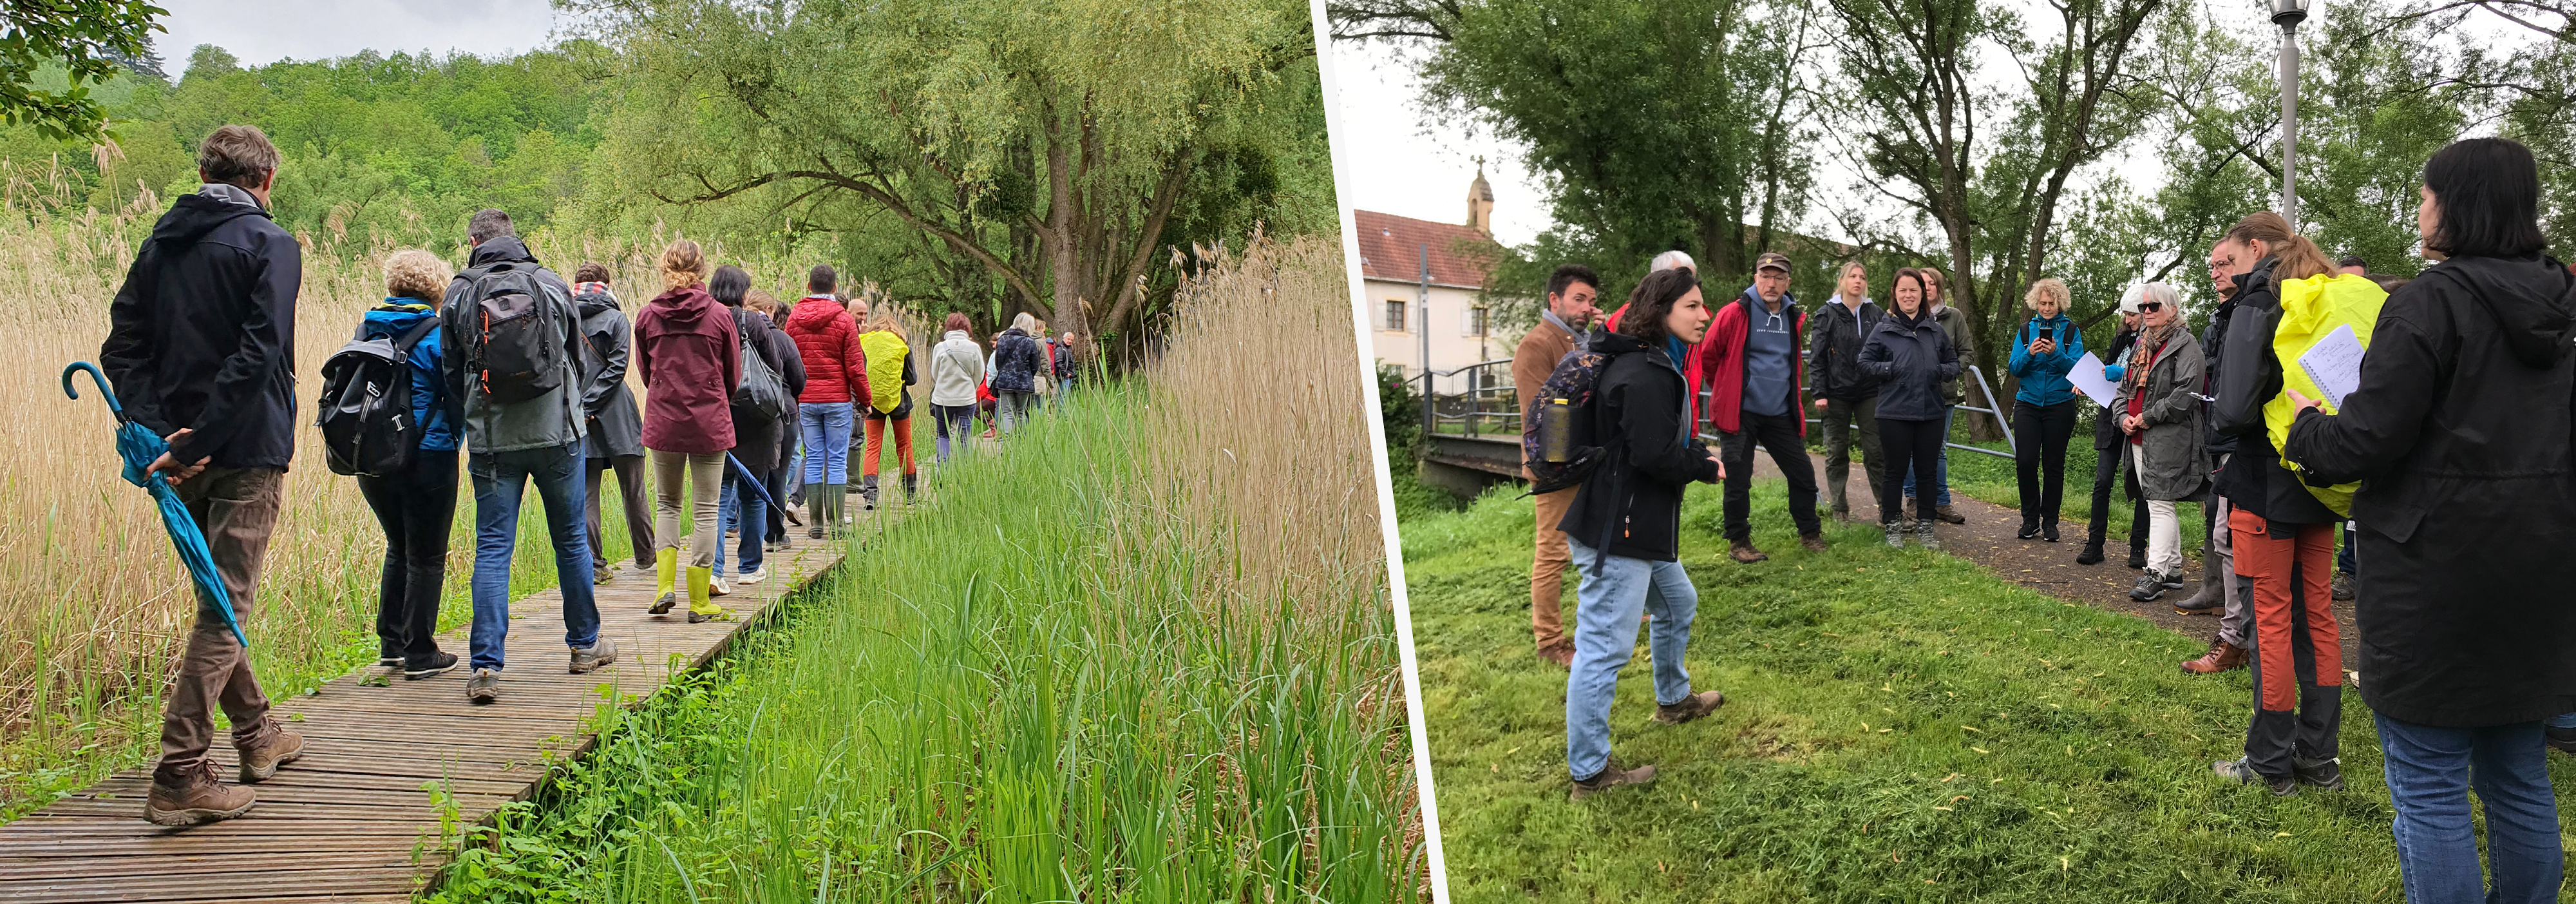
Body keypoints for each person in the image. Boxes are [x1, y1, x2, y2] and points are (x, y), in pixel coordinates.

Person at [2284, 138, 2575, 896]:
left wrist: (2311, 424)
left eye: (2425, 194)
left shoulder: (2428, 300)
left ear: (2458, 202)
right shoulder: (2564, 304)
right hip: (2540, 564)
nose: (2419, 208)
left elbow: (2366, 438)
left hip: (2432, 572)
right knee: (2516, 773)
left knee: (2428, 781)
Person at [103, 125, 306, 824]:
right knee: (226, 608)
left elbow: (121, 343)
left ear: (204, 170)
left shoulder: (162, 243)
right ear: (267, 179)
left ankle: (258, 735)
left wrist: (165, 432)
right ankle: (180, 771)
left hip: (175, 456)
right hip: (244, 447)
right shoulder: (271, 244)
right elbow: (260, 351)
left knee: (217, 598)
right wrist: (205, 435)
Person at [1558, 267, 1727, 800]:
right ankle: (1589, 772)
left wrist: (1694, 453)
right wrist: (1701, 466)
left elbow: (1649, 440)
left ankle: (1674, 701)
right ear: (1663, 313)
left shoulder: (1645, 361)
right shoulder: (1646, 371)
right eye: (1694, 307)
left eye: (1703, 307)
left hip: (1637, 525)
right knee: (1603, 650)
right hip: (1619, 531)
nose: (1704, 316)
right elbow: (1654, 454)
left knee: (1678, 602)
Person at [442, 208, 615, 704]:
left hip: (493, 441)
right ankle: (585, 645)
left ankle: (485, 667)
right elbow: (576, 362)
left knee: (494, 547)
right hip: (558, 434)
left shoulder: (459, 292)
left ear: (473, 240)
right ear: (516, 238)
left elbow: (453, 374)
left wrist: (476, 416)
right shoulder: (552, 283)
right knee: (571, 539)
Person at [2207, 209, 2342, 795]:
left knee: (2271, 620)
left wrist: (2215, 413)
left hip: (2264, 479)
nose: (2226, 274)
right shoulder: (2324, 293)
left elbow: (2234, 407)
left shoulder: (2259, 301)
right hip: (2321, 476)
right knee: (2318, 617)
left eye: (2230, 260)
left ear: (2255, 247)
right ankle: (2320, 759)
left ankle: (2268, 763)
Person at [353, 250, 463, 682]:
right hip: (429, 454)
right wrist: (458, 437)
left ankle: (391, 644)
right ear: (437, 288)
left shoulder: (366, 326)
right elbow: (457, 393)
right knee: (428, 555)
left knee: (397, 544)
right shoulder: (438, 335)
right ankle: (421, 651)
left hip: (373, 457)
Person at [635, 239, 740, 624]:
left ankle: (665, 587)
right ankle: (699, 600)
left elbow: (647, 375)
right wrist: (711, 398)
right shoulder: (718, 316)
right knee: (707, 509)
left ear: (665, 268)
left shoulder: (647, 316)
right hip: (710, 420)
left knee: (667, 504)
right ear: (702, 269)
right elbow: (733, 375)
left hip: (664, 420)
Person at [1701, 252, 1825, 563]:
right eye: (1765, 276)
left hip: (1779, 412)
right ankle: (1739, 542)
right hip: (1739, 412)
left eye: (1778, 277)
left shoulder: (1792, 317)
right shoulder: (1735, 313)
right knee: (1738, 478)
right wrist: (1729, 388)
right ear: (1755, 278)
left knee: (1803, 473)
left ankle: (1810, 534)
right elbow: (1708, 355)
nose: (1771, 283)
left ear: (1787, 282)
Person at [1511, 264, 1599, 667]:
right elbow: (1542, 415)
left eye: (1591, 301)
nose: (1586, 307)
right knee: (1553, 553)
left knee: (1602, 541)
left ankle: (1606, 616)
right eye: (1579, 299)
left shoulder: (1580, 339)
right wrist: (1562, 466)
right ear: (1554, 300)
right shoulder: (1537, 343)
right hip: (1556, 464)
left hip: (1588, 459)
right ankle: (1549, 641)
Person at [2180, 239, 2250, 673]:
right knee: (2223, 533)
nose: (2216, 271)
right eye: (2213, 265)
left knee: (2233, 537)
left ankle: (2239, 636)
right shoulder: (2221, 319)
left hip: (2244, 442)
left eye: (2226, 263)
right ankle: (2235, 632)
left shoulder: (2254, 312)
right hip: (2222, 438)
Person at [2112, 283, 2207, 602]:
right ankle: (2175, 570)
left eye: (2154, 306)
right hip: (2137, 436)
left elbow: (2186, 395)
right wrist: (2123, 415)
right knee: (2158, 503)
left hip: (2167, 438)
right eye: (2144, 307)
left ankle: (2155, 572)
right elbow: (2124, 390)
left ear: (2173, 310)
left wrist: (2149, 416)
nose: (2147, 312)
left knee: (2160, 504)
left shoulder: (2187, 345)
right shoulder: (2142, 346)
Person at [709, 266, 802, 588]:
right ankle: (749, 567)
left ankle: (715, 571)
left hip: (718, 418)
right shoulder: (753, 322)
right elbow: (776, 369)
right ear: (742, 292)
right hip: (757, 419)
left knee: (718, 499)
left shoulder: (705, 319)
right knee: (752, 496)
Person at [1858, 267, 1960, 550]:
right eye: (1902, 290)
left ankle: (1926, 527)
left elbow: (1954, 363)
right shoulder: (1883, 329)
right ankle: (1892, 524)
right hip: (1894, 412)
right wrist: (1891, 368)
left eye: (1914, 290)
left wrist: (1938, 371)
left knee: (1927, 472)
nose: (1908, 295)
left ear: (1922, 294)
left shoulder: (1935, 330)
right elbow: (1864, 364)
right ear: (1895, 294)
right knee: (1895, 471)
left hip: (1931, 411)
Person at [573, 264, 652, 585]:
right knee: (633, 489)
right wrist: (593, 404)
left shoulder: (563, 318)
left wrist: (581, 407)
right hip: (618, 413)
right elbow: (618, 369)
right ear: (606, 284)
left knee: (587, 492)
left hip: (578, 414)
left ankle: (594, 566)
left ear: (576, 285)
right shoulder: (618, 319)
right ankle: (646, 557)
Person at [784, 265, 867, 539]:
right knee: (837, 461)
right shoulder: (844, 320)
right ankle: (837, 524)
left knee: (815, 457)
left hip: (806, 400)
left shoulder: (794, 319)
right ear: (834, 288)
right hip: (837, 399)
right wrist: (865, 400)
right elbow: (855, 367)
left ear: (809, 287)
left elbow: (787, 361)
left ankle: (816, 525)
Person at [1808, 260, 1887, 523]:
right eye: (1852, 276)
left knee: (1876, 451)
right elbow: (1817, 357)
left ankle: (1886, 508)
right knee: (1837, 450)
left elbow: (1889, 348)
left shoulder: (1875, 313)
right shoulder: (1827, 314)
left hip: (1869, 390)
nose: (1858, 281)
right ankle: (1840, 507)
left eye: (1862, 277)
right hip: (1836, 392)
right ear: (1842, 281)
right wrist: (1819, 392)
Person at [2007, 278, 2085, 541]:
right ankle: (2030, 519)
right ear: (2035, 304)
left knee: (2053, 465)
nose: (2047, 308)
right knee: (2025, 461)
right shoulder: (2026, 331)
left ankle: (2050, 522)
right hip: (2028, 403)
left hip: (2060, 405)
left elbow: (2079, 372)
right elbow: (2014, 368)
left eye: (2052, 303)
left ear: (2060, 303)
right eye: (2042, 303)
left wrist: (2055, 354)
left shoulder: (2072, 332)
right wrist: (2030, 353)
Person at [2078, 296, 2150, 568]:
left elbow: (2144, 376)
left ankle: (2137, 549)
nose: (2127, 319)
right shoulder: (2120, 338)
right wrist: (2087, 382)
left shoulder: (2151, 340)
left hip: (2137, 417)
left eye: (2132, 314)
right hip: (2110, 417)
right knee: (2102, 482)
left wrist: (2115, 372)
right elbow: (2103, 371)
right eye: (2125, 314)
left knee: (2143, 486)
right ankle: (2094, 544)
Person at [1900, 266, 1971, 524]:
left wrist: (1946, 372)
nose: (1926, 287)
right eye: (1922, 283)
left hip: (1943, 394)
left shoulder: (1953, 317)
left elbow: (1966, 354)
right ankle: (1914, 500)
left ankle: (1942, 502)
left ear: (1938, 288)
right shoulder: (1902, 318)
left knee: (1938, 449)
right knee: (1908, 449)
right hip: (1907, 395)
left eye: (1931, 283)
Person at [857, 309, 920, 508]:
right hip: (899, 403)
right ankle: (910, 495)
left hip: (872, 403)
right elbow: (913, 379)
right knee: (904, 446)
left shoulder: (864, 342)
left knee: (873, 447)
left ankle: (870, 497)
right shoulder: (902, 345)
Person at [929, 313, 985, 462]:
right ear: (967, 329)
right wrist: (969, 387)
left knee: (943, 435)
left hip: (942, 399)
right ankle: (963, 471)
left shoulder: (940, 347)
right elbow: (979, 374)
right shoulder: (974, 348)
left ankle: (943, 470)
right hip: (966, 400)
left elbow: (935, 374)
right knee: (964, 435)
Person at [993, 313, 1046, 434]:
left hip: (1005, 382)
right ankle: (1022, 441)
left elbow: (998, 362)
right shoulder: (1029, 342)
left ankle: (1006, 441)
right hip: (1023, 382)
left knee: (1007, 413)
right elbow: (1035, 365)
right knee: (1020, 412)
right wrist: (1027, 375)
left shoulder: (1002, 339)